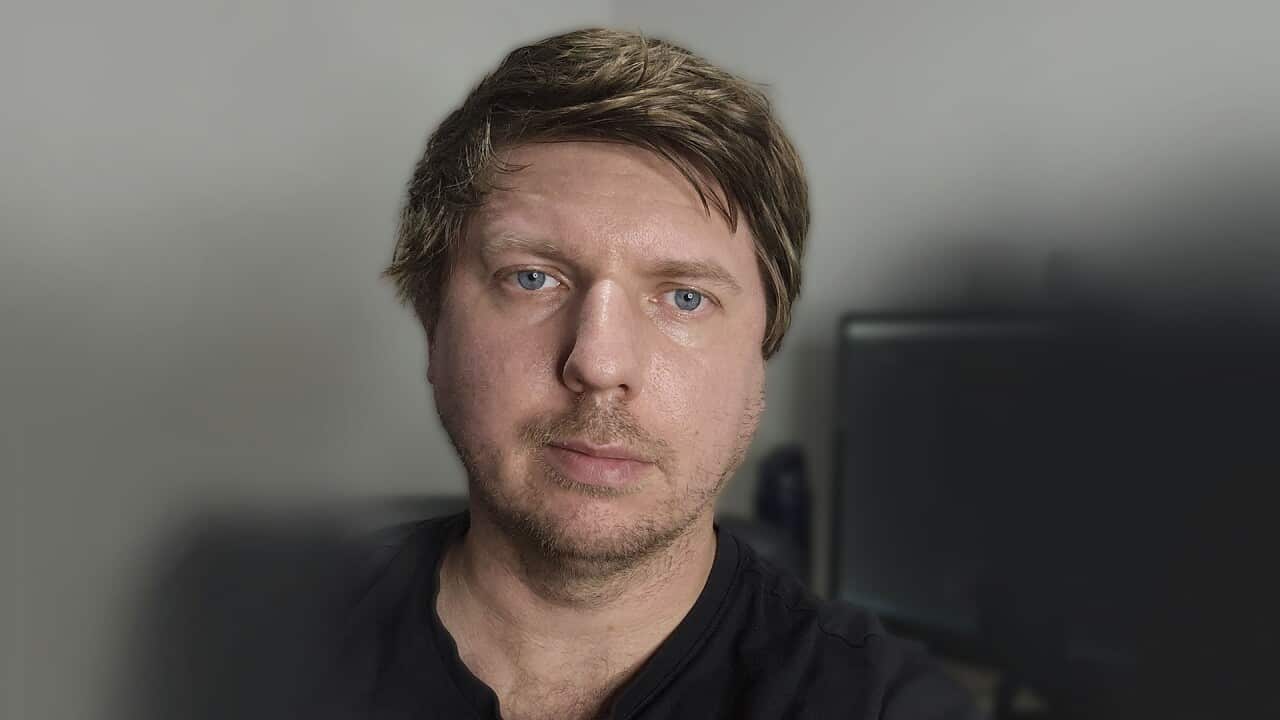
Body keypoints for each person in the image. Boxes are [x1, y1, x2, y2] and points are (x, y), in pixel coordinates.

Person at [322, 28, 978, 720]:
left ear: (761, 356)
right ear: (434, 328)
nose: (599, 364)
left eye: (685, 298)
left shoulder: (886, 706)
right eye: (532, 277)